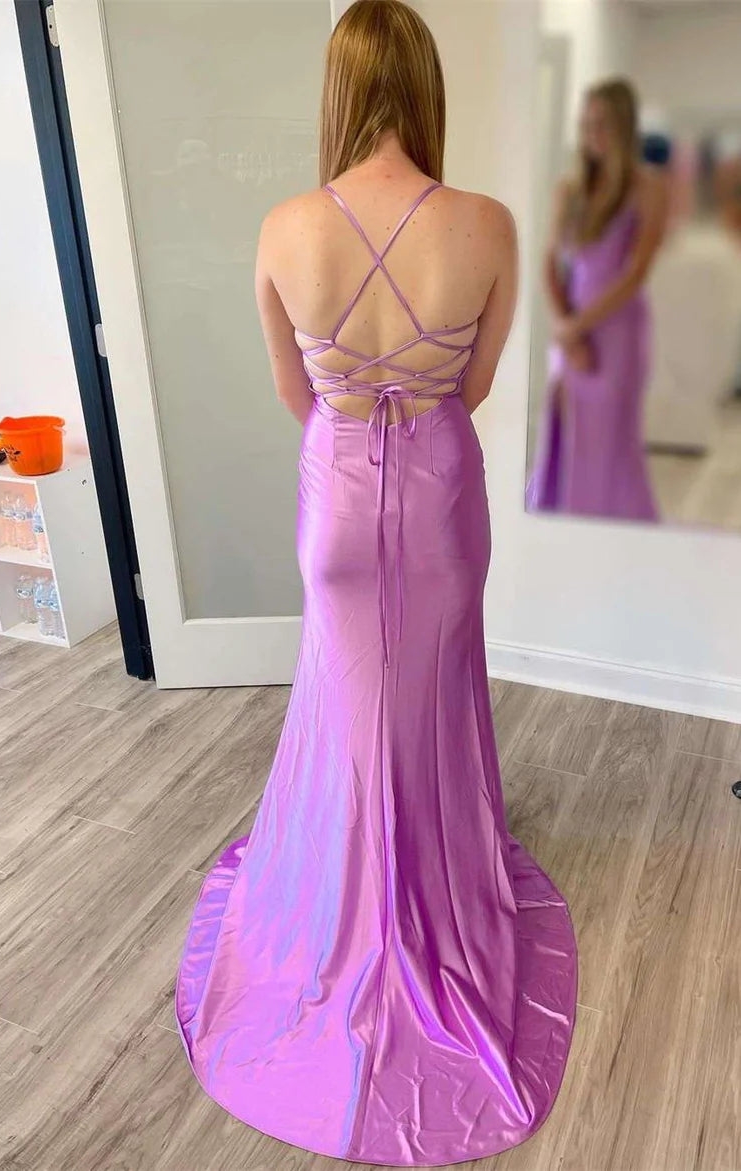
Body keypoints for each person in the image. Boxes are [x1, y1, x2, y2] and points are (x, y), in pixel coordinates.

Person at [175, 2, 578, 1164]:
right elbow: (475, 384)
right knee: (435, 692)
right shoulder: (487, 224)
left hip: (339, 491)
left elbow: (292, 392)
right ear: (425, 89)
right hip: (442, 493)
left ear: (340, 92)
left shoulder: (285, 227)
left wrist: (358, 427)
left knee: (350, 697)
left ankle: (342, 908)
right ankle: (434, 896)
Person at [526, 77, 665, 520]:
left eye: (601, 124)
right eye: (586, 125)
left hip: (617, 329)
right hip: (571, 326)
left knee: (610, 442)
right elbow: (549, 264)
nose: (592, 134)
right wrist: (565, 329)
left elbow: (635, 274)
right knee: (565, 430)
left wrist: (575, 328)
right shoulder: (570, 190)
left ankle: (615, 535)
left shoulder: (647, 189)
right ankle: (563, 528)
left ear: (623, 127)